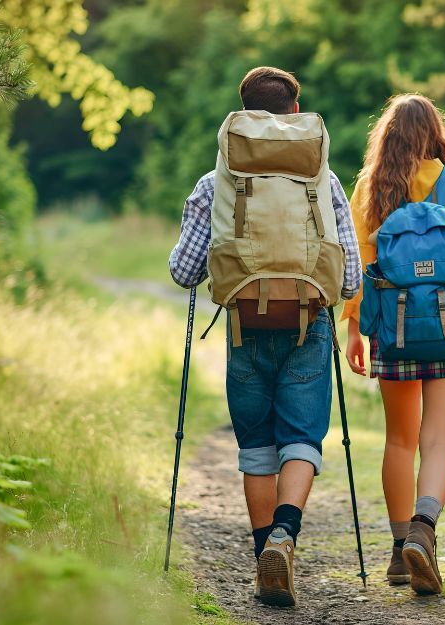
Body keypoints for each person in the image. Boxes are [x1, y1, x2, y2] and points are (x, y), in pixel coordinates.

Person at [168, 66, 361, 608]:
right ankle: (285, 535)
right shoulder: (323, 179)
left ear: (244, 115)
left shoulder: (215, 183)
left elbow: (183, 271)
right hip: (308, 325)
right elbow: (349, 277)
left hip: (243, 327)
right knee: (302, 438)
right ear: (294, 114)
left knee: (256, 447)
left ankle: (262, 564)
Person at [342, 94, 445, 596]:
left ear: (385, 138)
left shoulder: (372, 188)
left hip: (391, 331)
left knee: (399, 439)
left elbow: (358, 265)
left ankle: (397, 552)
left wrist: (354, 328)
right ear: (437, 134)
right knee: (438, 440)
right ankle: (423, 531)